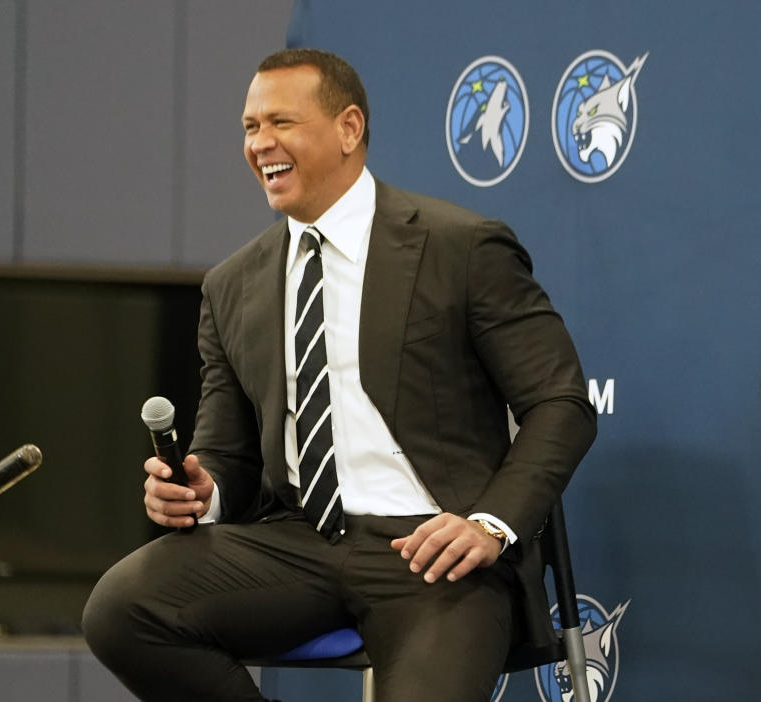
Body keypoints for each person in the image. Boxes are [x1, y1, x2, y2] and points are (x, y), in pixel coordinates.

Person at [83, 48, 596, 702]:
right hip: (298, 544)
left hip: (435, 552)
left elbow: (561, 403)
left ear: (349, 129)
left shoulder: (461, 248)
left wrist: (488, 523)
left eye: (281, 123)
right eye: (249, 127)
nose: (260, 143)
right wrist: (200, 492)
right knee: (122, 610)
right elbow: (228, 455)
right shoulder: (232, 285)